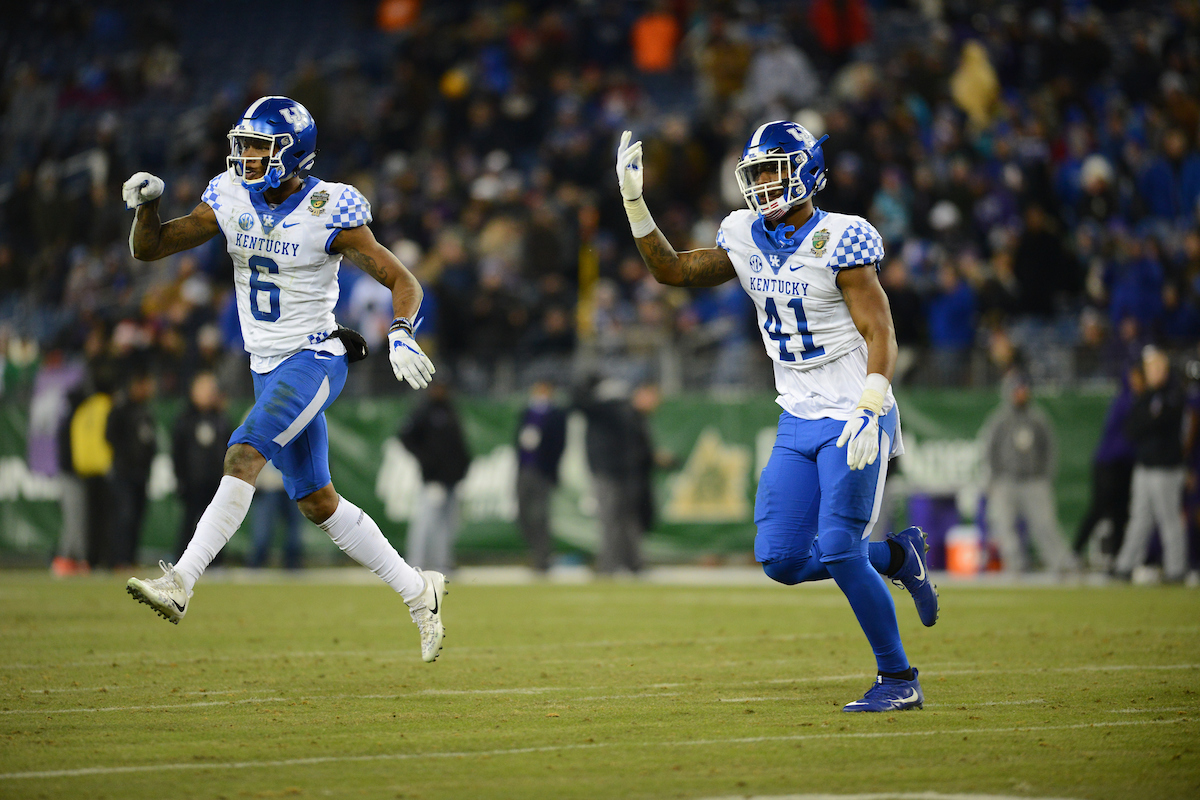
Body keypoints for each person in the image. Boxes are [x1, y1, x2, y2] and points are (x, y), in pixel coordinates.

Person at [616, 122, 938, 713]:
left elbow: (879, 328)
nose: (764, 183)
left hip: (853, 410)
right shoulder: (743, 234)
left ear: (808, 170)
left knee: (839, 546)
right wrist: (637, 206)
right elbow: (674, 271)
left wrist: (873, 401)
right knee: (783, 560)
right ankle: (896, 557)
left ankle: (899, 678)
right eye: (756, 172)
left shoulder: (841, 239)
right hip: (797, 413)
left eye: (774, 169)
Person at [122, 96, 447, 663]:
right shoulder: (228, 196)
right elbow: (151, 249)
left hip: (314, 357)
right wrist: (145, 209)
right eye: (242, 144)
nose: (244, 155)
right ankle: (420, 591)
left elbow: (404, 280)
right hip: (263, 366)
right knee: (318, 503)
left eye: (257, 146)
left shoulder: (328, 208)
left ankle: (182, 581)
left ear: (291, 152)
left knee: (242, 455)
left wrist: (401, 331)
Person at [980, 370, 1077, 574]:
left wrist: (1045, 476)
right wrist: (994, 479)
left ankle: (1062, 564)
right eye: (1017, 389)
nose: (1021, 393)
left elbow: (1050, 449)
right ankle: (1015, 565)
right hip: (1006, 480)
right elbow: (989, 450)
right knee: (1004, 526)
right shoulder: (999, 420)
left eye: (1024, 389)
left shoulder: (1038, 419)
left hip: (1034, 480)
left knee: (1045, 525)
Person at [1114, 346, 1188, 582]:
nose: (1153, 372)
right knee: (1138, 519)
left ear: (1165, 369)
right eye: (1150, 368)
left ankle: (1176, 569)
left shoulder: (1174, 394)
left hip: (1166, 468)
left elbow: (1162, 423)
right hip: (1145, 467)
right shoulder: (1145, 396)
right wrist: (1149, 421)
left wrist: (1148, 423)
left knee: (1169, 520)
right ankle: (1125, 566)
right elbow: (1131, 429)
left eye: (1157, 367)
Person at [398, 380, 471, 575]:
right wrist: (426, 461)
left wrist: (463, 467)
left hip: (451, 478)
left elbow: (458, 444)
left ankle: (443, 563)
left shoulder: (450, 410)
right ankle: (416, 563)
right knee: (427, 521)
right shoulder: (424, 410)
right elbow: (405, 437)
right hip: (433, 478)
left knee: (448, 523)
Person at [1072, 364, 1140, 566]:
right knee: (1100, 507)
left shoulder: (1138, 400)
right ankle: (1075, 552)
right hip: (1108, 464)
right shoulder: (1124, 401)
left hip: (1125, 466)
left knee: (1120, 512)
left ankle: (1116, 557)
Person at [172, 372, 233, 563]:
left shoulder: (221, 419)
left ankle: (217, 562)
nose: (207, 394)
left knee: (216, 524)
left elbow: (229, 450)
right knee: (189, 522)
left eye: (210, 390)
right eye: (202, 389)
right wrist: (181, 478)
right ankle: (183, 562)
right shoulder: (184, 419)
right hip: (192, 481)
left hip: (216, 481)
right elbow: (177, 453)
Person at [106, 369, 159, 569]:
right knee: (124, 516)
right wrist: (126, 456)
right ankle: (119, 559)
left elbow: (150, 442)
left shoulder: (146, 410)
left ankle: (130, 557)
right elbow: (109, 437)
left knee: (137, 517)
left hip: (141, 474)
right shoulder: (121, 409)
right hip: (123, 473)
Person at [515, 380, 567, 574]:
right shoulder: (527, 413)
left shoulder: (556, 415)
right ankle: (535, 552)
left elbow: (559, 445)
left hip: (542, 472)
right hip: (524, 470)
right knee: (523, 514)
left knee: (539, 515)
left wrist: (551, 470)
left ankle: (542, 556)